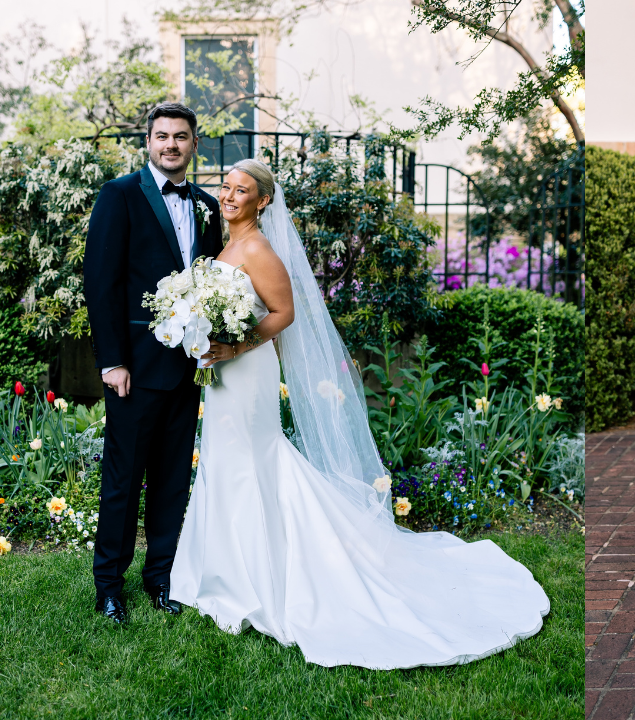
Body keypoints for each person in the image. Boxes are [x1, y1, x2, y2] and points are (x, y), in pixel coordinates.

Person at [167, 159, 550, 670]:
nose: (229, 196)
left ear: (262, 202)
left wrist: (237, 347)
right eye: (227, 187)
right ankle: (220, 573)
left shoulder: (258, 250)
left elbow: (284, 313)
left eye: (242, 190)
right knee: (224, 461)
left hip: (247, 372)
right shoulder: (226, 245)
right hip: (222, 375)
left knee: (252, 462)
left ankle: (254, 579)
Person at [84, 102, 224, 623]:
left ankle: (162, 577)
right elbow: (101, 284)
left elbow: (209, 285)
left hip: (188, 367)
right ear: (148, 142)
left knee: (171, 477)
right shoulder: (119, 196)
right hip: (134, 369)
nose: (171, 144)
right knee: (123, 477)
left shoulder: (208, 205)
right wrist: (112, 361)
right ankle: (109, 585)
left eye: (180, 136)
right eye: (162, 135)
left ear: (193, 144)